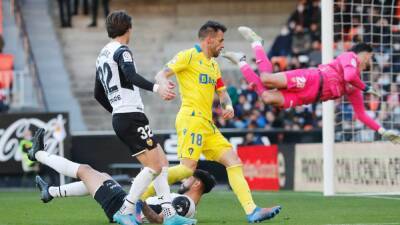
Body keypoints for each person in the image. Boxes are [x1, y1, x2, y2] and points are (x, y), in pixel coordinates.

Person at [145, 20, 281, 223]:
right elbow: (161, 73)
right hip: (191, 119)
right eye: (220, 40)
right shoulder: (188, 55)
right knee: (186, 170)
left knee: (233, 162)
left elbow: (223, 93)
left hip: (207, 124)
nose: (223, 44)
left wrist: (228, 106)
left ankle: (252, 211)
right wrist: (164, 84)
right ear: (209, 40)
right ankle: (139, 196)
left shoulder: (213, 65)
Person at [92, 11, 195, 225]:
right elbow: (130, 76)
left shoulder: (102, 54)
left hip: (125, 115)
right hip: (130, 115)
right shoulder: (122, 51)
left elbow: (97, 94)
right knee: (154, 167)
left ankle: (169, 215)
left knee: (162, 162)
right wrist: (157, 88)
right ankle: (126, 209)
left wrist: (116, 111)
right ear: (128, 29)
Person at [222, 26, 400, 144]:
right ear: (364, 54)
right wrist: (367, 88)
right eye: (369, 58)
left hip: (308, 97)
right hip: (311, 79)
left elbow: (361, 115)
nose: (369, 63)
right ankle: (256, 43)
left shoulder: (354, 86)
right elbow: (349, 74)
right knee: (267, 79)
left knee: (267, 97)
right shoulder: (349, 57)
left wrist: (383, 131)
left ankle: (241, 61)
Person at [29, 129, 213, 224]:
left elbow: (161, 221)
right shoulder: (186, 206)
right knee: (102, 176)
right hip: (128, 208)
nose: (184, 179)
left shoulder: (184, 203)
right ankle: (51, 191)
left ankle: (38, 154)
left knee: (85, 170)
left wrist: (141, 203)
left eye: (189, 178)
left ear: (197, 184)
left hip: (125, 211)